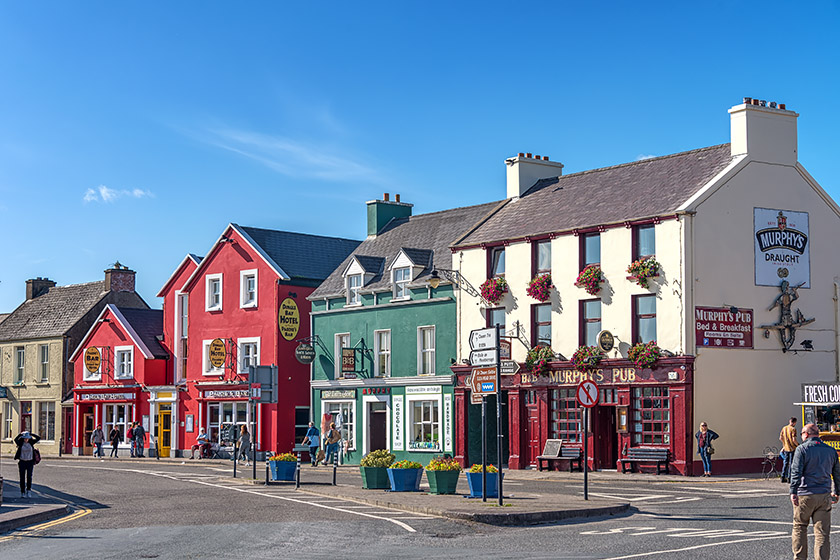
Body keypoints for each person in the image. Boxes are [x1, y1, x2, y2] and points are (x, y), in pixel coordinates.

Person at [790, 422, 840, 560]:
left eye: (801, 434)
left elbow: (796, 472)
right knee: (822, 533)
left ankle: (800, 557)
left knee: (800, 527)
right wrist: (837, 491)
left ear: (806, 434)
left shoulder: (802, 449)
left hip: (805, 494)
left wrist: (793, 491)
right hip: (824, 494)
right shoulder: (830, 450)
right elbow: (837, 473)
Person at [14, 431, 41, 499]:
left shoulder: (31, 443)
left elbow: (38, 438)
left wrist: (31, 434)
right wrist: (20, 434)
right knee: (22, 477)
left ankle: (29, 490)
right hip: (22, 462)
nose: (26, 440)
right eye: (25, 438)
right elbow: (15, 439)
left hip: (29, 462)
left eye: (27, 438)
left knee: (29, 477)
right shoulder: (20, 443)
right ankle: (22, 492)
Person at [780, 417, 799, 483]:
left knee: (785, 462)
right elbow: (794, 439)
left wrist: (784, 444)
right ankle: (789, 478)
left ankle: (782, 477)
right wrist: (798, 445)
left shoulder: (784, 428)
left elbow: (781, 438)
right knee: (791, 463)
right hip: (792, 448)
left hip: (786, 448)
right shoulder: (793, 429)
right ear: (794, 422)